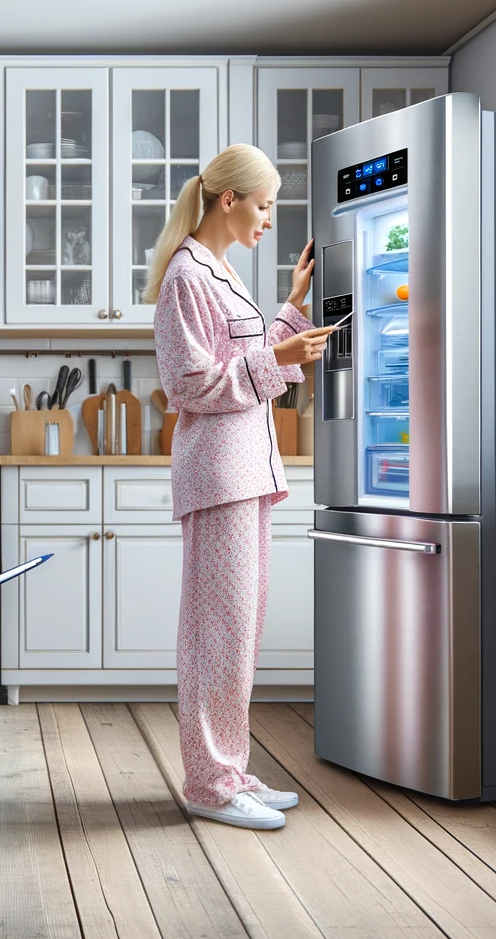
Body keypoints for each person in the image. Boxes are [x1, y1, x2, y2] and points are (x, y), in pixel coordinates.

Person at [145, 143, 335, 830]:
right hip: (218, 473)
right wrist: (277, 356)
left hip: (247, 469)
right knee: (215, 634)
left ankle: (228, 768)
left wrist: (289, 308)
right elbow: (189, 385)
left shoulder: (219, 269)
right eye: (263, 204)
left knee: (239, 631)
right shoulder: (185, 276)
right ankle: (208, 784)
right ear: (228, 200)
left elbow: (244, 359)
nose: (267, 217)